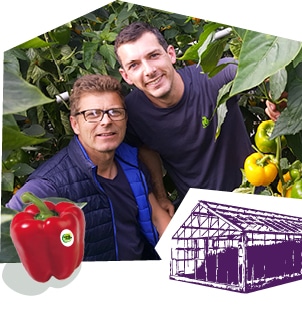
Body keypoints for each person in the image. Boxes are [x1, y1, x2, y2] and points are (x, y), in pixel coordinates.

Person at [6, 74, 171, 261]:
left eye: (115, 111)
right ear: (75, 124)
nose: (106, 121)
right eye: (92, 114)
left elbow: (158, 218)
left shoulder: (130, 162)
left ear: (125, 119)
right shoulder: (50, 186)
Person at [114, 21, 255, 216]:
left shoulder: (214, 77)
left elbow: (261, 72)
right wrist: (161, 195)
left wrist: (277, 101)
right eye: (134, 65)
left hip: (254, 195)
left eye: (153, 56)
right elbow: (143, 148)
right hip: (199, 214)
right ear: (126, 76)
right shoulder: (132, 113)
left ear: (170, 54)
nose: (149, 70)